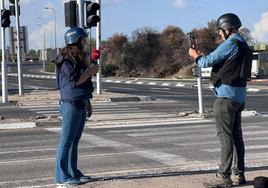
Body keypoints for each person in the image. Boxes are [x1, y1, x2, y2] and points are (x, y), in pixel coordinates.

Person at [189, 13, 252, 188]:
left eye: (220, 30)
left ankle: (223, 176)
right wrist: (201, 56)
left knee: (225, 138)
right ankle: (238, 175)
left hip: (225, 98)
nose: (219, 34)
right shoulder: (243, 44)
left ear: (227, 29)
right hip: (239, 97)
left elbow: (207, 61)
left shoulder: (231, 43)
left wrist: (195, 55)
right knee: (237, 137)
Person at [55, 27, 99, 186]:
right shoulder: (65, 59)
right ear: (76, 40)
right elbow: (74, 82)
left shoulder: (77, 58)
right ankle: (62, 177)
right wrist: (90, 72)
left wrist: (88, 102)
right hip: (70, 105)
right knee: (66, 141)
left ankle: (73, 172)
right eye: (83, 40)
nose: (85, 42)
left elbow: (84, 83)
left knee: (74, 141)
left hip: (80, 102)